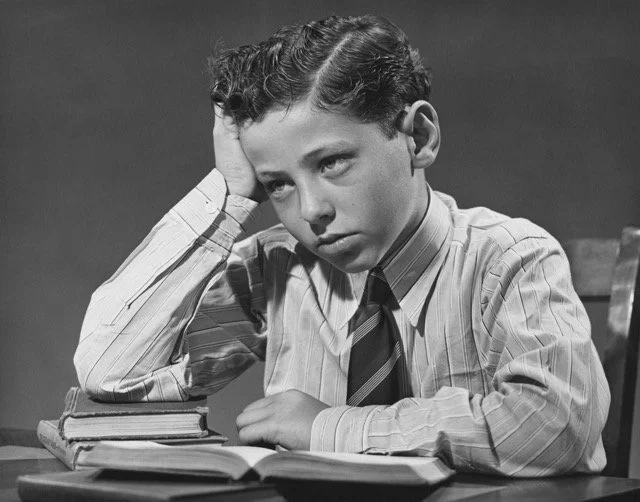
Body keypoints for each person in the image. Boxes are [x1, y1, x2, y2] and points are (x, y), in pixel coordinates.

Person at [74, 14, 609, 476]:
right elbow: (110, 374)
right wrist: (230, 192)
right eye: (278, 183)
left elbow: (554, 425)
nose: (310, 211)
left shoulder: (509, 259)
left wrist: (330, 428)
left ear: (417, 138)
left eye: (331, 163)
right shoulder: (277, 268)